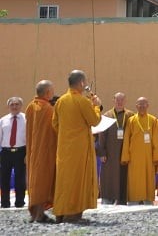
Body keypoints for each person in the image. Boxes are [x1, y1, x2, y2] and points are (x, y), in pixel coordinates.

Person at [52, 69, 102, 223]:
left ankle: (60, 211)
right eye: (84, 82)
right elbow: (94, 121)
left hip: (64, 147)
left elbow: (55, 124)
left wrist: (67, 134)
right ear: (81, 83)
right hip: (79, 148)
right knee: (77, 179)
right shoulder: (82, 101)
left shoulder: (60, 101)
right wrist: (96, 106)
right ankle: (72, 213)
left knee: (64, 179)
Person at [24, 80, 57, 223]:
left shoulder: (30, 107)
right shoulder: (48, 109)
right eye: (52, 91)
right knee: (43, 181)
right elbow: (56, 127)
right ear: (47, 93)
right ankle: (39, 214)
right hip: (45, 151)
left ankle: (35, 213)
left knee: (35, 181)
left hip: (33, 151)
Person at [120, 97, 158, 205]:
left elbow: (156, 139)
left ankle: (148, 200)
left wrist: (156, 156)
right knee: (134, 179)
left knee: (148, 178)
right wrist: (125, 156)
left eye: (144, 104)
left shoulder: (153, 120)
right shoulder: (131, 120)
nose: (142, 106)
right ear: (136, 106)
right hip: (134, 156)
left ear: (148, 105)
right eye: (140, 104)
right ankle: (133, 200)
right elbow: (126, 139)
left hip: (148, 156)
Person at [97, 92, 133, 205]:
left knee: (124, 175)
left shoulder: (130, 116)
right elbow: (101, 135)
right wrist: (102, 152)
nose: (119, 102)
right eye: (117, 100)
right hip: (110, 153)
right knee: (109, 176)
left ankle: (122, 200)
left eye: (122, 100)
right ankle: (107, 199)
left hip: (125, 152)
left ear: (125, 101)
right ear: (113, 101)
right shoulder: (107, 116)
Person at [0, 96, 26, 209]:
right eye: (12, 105)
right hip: (6, 152)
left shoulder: (27, 119)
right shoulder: (2, 120)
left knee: (20, 178)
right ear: (8, 106)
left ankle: (20, 202)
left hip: (21, 151)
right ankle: (5, 202)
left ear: (21, 106)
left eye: (17, 104)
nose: (14, 107)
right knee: (4, 177)